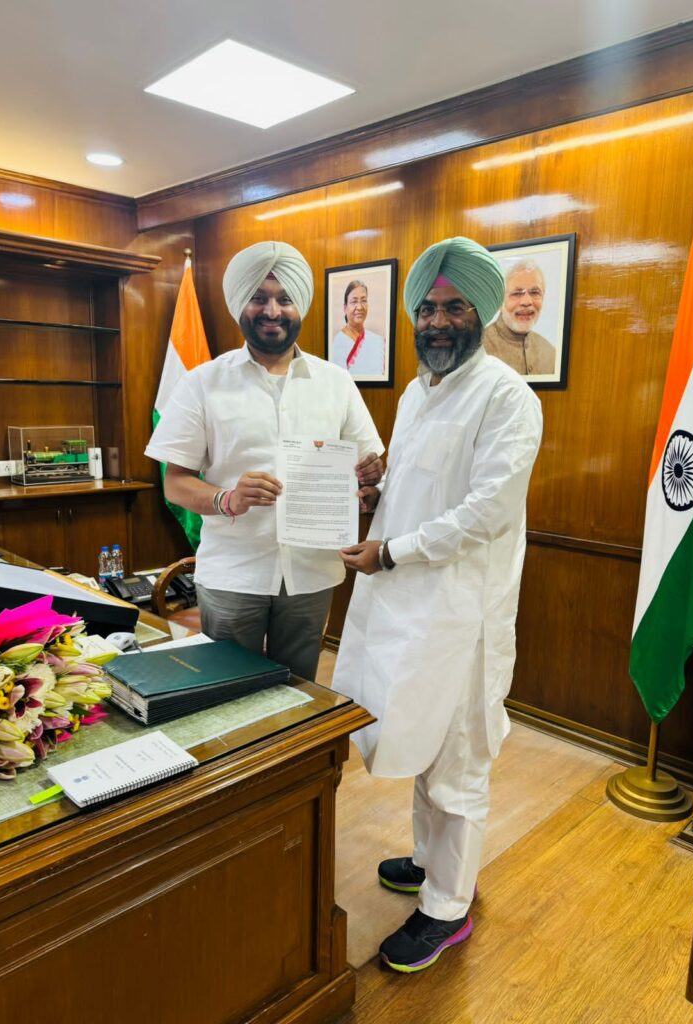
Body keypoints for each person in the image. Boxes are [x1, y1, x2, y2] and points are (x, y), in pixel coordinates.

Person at [332, 236, 543, 973]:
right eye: (426, 309)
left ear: (481, 312)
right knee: (420, 732)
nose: (438, 321)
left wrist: (391, 550)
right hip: (406, 604)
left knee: (458, 757)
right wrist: (374, 492)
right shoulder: (418, 392)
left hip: (461, 614)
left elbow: (486, 512)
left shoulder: (508, 398)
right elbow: (418, 491)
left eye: (454, 308)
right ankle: (430, 862)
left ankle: (448, 907)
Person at [145, 240, 383, 682]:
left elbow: (369, 469)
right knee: (227, 693)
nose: (272, 311)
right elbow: (174, 482)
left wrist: (369, 482)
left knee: (300, 689)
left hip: (312, 572)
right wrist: (227, 499)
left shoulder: (336, 383)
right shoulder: (203, 383)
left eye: (284, 298)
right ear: (241, 305)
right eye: (259, 297)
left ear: (300, 307)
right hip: (234, 573)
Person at [483, 259, 556, 374]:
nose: (527, 302)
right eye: (516, 293)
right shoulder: (478, 349)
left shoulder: (550, 353)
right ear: (499, 300)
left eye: (534, 293)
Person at [331, 279, 386, 376]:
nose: (360, 307)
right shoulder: (339, 341)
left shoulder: (377, 340)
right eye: (354, 301)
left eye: (364, 301)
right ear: (345, 308)